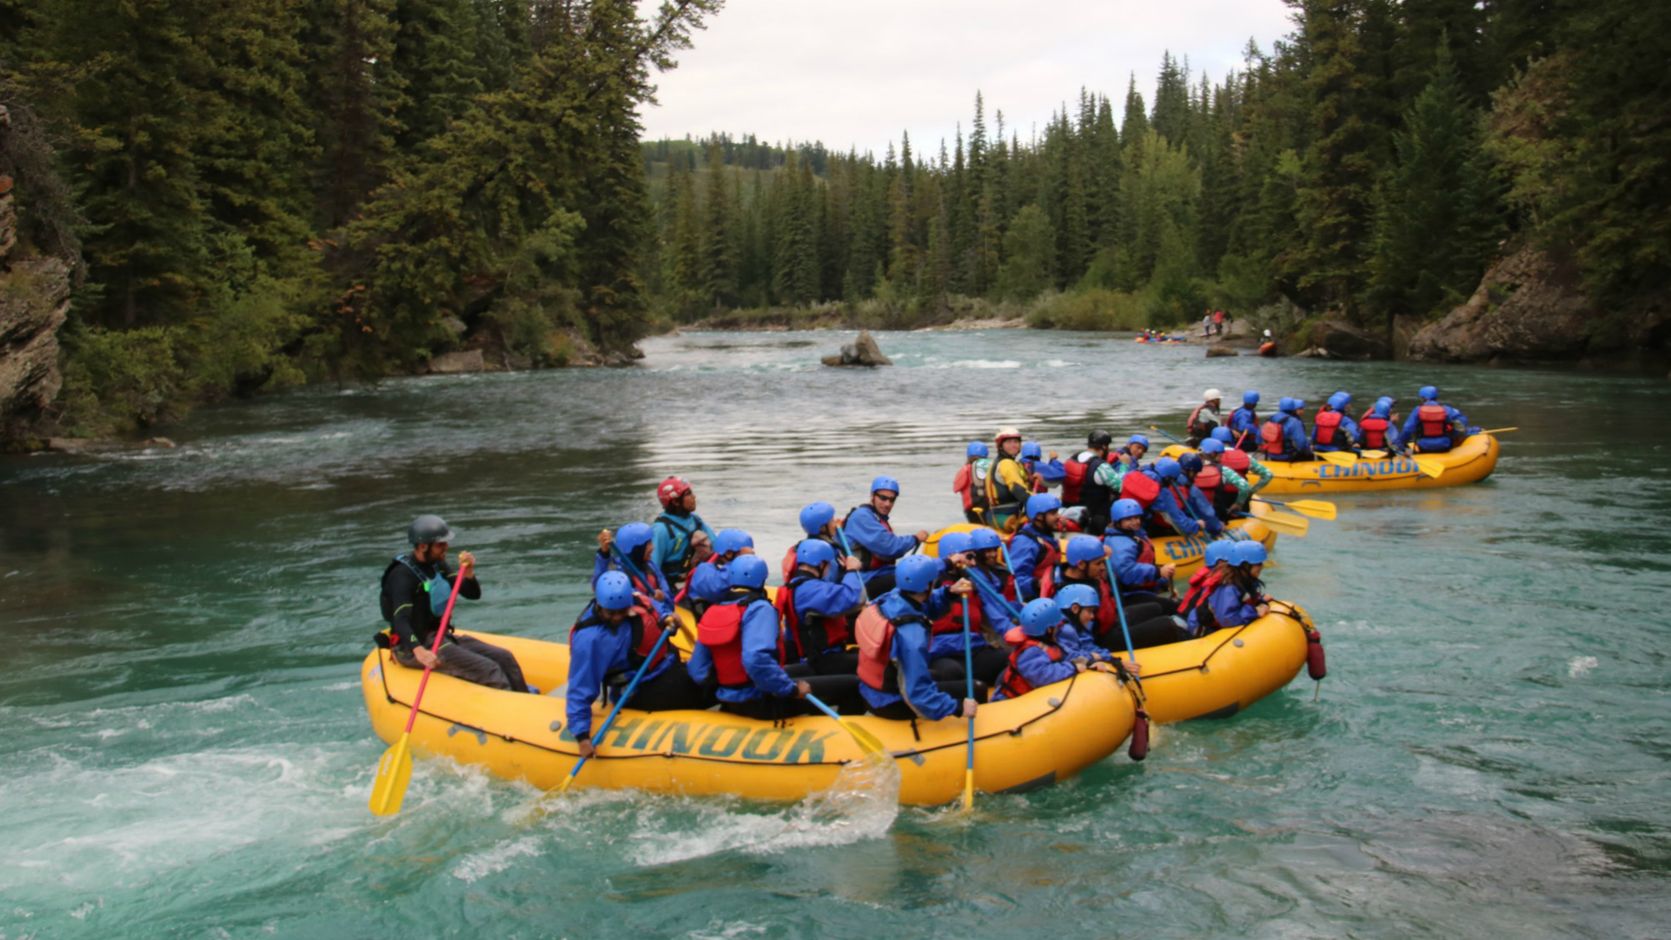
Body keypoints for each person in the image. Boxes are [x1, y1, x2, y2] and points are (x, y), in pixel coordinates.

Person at [689, 556, 862, 719]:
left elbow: (697, 670)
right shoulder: (759, 609)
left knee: (810, 671)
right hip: (761, 702)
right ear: (762, 579)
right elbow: (755, 659)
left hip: (729, 699)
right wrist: (791, 690)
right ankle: (841, 743)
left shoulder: (713, 611)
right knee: (854, 686)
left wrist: (729, 689)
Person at [378, 514, 532, 692]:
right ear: (422, 546)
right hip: (413, 646)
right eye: (440, 544)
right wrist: (418, 651)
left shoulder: (438, 565)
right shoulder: (402, 576)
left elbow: (472, 594)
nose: (446, 547)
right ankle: (507, 713)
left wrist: (469, 574)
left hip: (440, 637)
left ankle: (525, 701)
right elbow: (400, 619)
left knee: (504, 658)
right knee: (489, 669)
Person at [566, 572, 709, 758]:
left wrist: (667, 617)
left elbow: (657, 608)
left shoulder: (635, 599)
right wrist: (582, 737)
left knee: (710, 673)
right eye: (611, 613)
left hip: (665, 667)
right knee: (710, 687)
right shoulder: (590, 640)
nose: (617, 617)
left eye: (622, 611)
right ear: (600, 605)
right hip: (639, 689)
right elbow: (580, 688)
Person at [856, 555, 980, 721]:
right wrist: (956, 707)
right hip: (891, 702)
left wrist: (948, 593)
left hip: (870, 691)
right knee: (977, 688)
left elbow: (925, 604)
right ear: (927, 585)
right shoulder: (912, 635)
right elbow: (917, 693)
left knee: (950, 673)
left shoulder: (890, 598)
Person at [926, 533, 1010, 684]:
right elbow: (920, 571)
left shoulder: (973, 584)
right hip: (942, 653)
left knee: (1009, 659)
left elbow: (997, 617)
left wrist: (1019, 636)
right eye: (969, 557)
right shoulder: (930, 584)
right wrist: (947, 563)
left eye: (974, 558)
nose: (973, 563)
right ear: (952, 556)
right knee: (951, 672)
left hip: (972, 649)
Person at [778, 538, 867, 675]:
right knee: (875, 664)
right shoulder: (810, 590)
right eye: (829, 565)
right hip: (822, 661)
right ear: (821, 564)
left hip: (820, 655)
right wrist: (852, 571)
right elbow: (855, 599)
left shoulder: (798, 585)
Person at [992, 599, 1096, 701]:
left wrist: (1087, 660)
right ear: (1049, 629)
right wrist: (1072, 667)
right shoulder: (1030, 651)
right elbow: (1043, 675)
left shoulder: (1047, 641)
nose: (1059, 628)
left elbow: (1065, 654)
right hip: (1009, 700)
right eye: (1057, 626)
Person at [842, 475, 929, 596]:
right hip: (861, 579)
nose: (887, 504)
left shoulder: (876, 517)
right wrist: (915, 538)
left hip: (879, 573)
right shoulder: (862, 517)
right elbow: (890, 547)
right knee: (909, 580)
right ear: (872, 496)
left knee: (920, 573)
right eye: (883, 498)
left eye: (891, 500)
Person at [1103, 499, 1179, 614]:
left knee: (1180, 604)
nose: (1135, 522)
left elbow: (1144, 564)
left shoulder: (1135, 535)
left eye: (1137, 518)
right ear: (1118, 521)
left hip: (1140, 590)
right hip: (1127, 595)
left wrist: (1163, 582)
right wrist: (1158, 572)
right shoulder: (1118, 542)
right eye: (1129, 519)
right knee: (1175, 608)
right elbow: (1127, 572)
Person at [1188, 540, 1272, 634]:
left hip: (1218, 622)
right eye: (1258, 563)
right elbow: (1227, 620)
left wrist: (1261, 603)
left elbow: (1249, 598)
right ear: (1245, 565)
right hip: (1202, 628)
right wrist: (1254, 611)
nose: (1262, 566)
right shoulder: (1228, 586)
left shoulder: (1244, 580)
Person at [594, 522, 673, 618]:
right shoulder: (619, 575)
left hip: (657, 618)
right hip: (637, 620)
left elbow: (670, 600)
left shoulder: (651, 566)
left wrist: (663, 597)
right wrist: (604, 554)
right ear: (636, 549)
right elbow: (598, 584)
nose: (653, 547)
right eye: (648, 544)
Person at [651, 476, 717, 590]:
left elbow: (717, 546)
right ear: (676, 501)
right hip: (671, 587)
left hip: (695, 581)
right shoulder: (661, 530)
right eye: (688, 494)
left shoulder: (696, 521)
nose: (694, 497)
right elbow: (653, 568)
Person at [676, 528, 753, 618]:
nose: (750, 558)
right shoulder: (704, 570)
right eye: (745, 555)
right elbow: (716, 588)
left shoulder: (729, 568)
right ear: (728, 553)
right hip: (707, 619)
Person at [1119, 457, 1196, 537]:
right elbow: (1177, 520)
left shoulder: (1135, 472)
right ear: (1169, 479)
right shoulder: (1161, 491)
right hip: (1138, 527)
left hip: (1118, 520)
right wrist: (1195, 525)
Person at [1007, 493, 1063, 602]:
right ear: (1039, 517)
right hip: (1034, 600)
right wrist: (1037, 583)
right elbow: (1015, 580)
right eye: (1053, 513)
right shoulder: (1025, 543)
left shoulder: (1046, 535)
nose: (1058, 516)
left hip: (1051, 593)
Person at [1063, 430, 1118, 536]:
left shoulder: (1071, 460)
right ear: (1104, 447)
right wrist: (1124, 466)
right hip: (1095, 520)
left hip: (1070, 514)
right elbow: (1121, 487)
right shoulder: (1102, 467)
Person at [1050, 584, 1120, 664]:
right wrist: (1091, 656)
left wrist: (1112, 659)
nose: (1092, 616)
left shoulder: (1075, 623)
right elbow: (1070, 655)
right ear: (1075, 608)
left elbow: (1087, 645)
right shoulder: (1065, 629)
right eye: (1090, 611)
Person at [1176, 540, 1235, 634]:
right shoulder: (1219, 578)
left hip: (1183, 617)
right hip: (1192, 623)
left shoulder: (1207, 574)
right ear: (1220, 562)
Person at [781, 501, 848, 582]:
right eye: (832, 521)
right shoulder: (826, 552)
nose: (835, 524)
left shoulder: (801, 547)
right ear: (822, 527)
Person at [1210, 428, 1274, 511]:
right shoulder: (1246, 457)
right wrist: (1251, 492)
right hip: (1241, 501)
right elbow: (1268, 474)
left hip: (1218, 502)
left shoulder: (1209, 457)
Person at [984, 427, 1033, 533]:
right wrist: (1038, 504)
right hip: (1006, 515)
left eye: (1016, 442)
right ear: (1001, 446)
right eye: (1009, 442)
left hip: (996, 513)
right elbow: (1018, 489)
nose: (1013, 445)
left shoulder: (1005, 462)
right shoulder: (1006, 464)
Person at [1402, 385, 1475, 453]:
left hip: (1424, 446)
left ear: (1423, 398)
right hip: (1444, 446)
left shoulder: (1417, 410)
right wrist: (1455, 435)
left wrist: (1400, 444)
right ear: (1436, 397)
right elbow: (1462, 421)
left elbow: (1407, 429)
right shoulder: (1446, 409)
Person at [1173, 454, 1226, 537]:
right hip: (1178, 529)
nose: (1196, 476)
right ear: (1191, 472)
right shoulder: (1191, 489)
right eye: (1196, 473)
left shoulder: (1164, 480)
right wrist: (1218, 527)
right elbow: (1207, 513)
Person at [1259, 397, 1314, 462]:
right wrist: (1308, 450)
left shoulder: (1271, 419)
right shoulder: (1294, 422)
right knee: (1309, 455)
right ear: (1293, 408)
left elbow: (1260, 436)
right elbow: (1301, 444)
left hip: (1271, 454)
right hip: (1287, 456)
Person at [952, 442, 992, 524]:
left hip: (971, 509)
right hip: (989, 507)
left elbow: (956, 488)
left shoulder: (964, 470)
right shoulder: (990, 467)